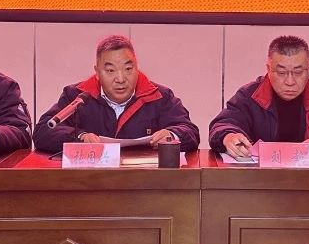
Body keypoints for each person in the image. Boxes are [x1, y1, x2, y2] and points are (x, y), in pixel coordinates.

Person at [32, 35, 200, 154]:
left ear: (137, 67)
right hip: (90, 183)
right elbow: (42, 131)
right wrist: (79, 137)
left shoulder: (160, 96)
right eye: (110, 70)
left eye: (128, 69)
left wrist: (171, 135)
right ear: (97, 72)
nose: (120, 79)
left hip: (144, 183)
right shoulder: (77, 96)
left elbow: (190, 131)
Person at [210, 35, 309, 159]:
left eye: (298, 72)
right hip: (260, 176)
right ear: (268, 69)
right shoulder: (250, 96)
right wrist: (229, 137)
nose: (290, 81)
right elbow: (223, 124)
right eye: (281, 72)